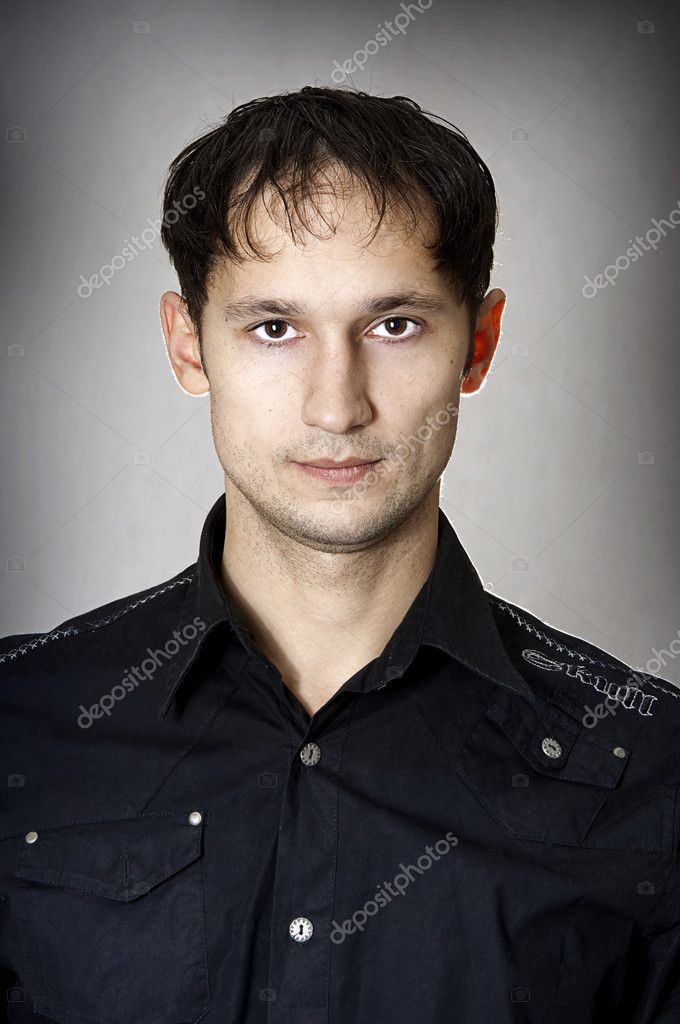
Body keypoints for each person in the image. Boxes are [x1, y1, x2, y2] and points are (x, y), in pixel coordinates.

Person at [1, 86, 678, 1024]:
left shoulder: (653, 771)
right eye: (273, 328)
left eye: (394, 324)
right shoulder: (20, 723)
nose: (335, 406)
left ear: (477, 344)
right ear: (189, 345)